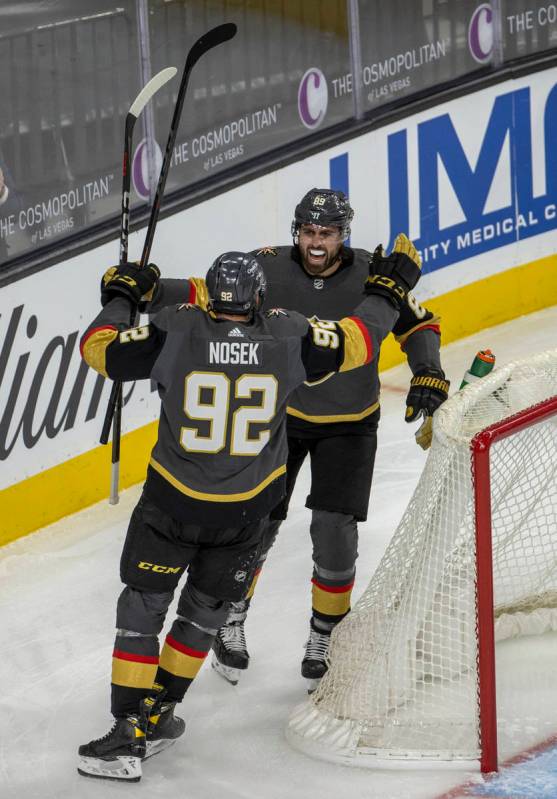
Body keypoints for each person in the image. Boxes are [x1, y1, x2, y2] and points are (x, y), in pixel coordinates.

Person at [77, 240, 421, 781]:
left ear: (212, 298)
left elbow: (99, 349)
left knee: (145, 606)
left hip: (173, 500)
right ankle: (161, 714)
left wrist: (122, 297)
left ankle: (128, 729)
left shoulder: (177, 328)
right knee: (203, 610)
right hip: (244, 511)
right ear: (258, 297)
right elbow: (358, 342)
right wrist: (388, 290)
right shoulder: (287, 335)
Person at [144, 190, 449, 691]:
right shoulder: (270, 270)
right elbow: (204, 292)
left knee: (335, 532)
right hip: (279, 422)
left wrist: (428, 371)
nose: (315, 243)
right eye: (308, 232)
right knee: (255, 527)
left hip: (351, 423)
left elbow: (420, 323)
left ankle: (326, 635)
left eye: (326, 233)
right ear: (297, 231)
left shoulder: (374, 275)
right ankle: (233, 615)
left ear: (342, 234)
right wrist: (148, 288)